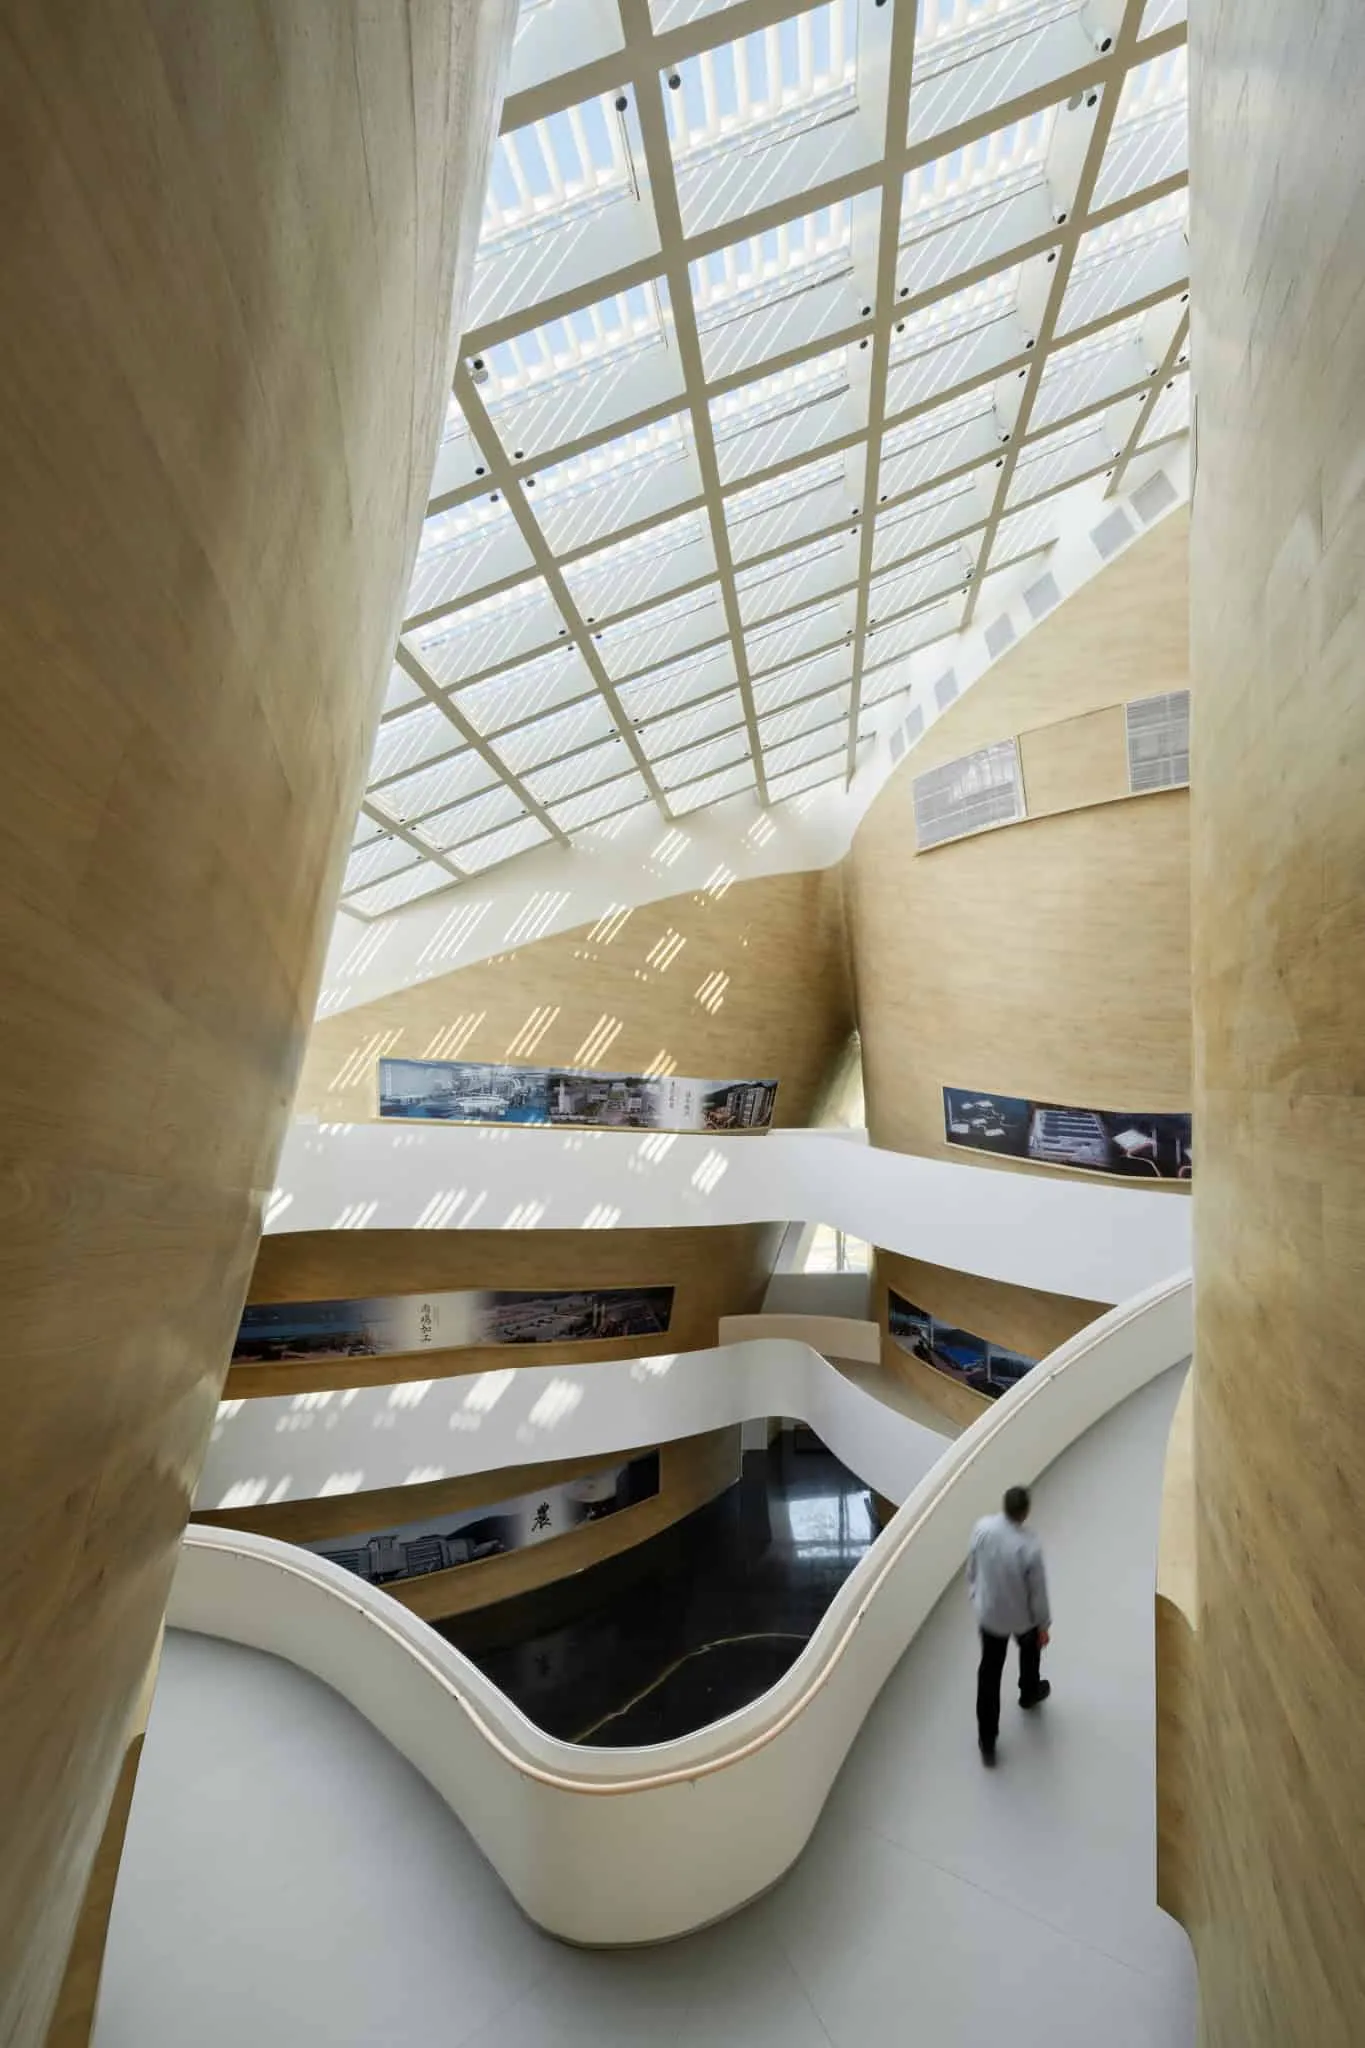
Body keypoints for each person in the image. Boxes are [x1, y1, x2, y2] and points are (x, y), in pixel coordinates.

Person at [966, 1484, 1051, 1766]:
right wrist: (1043, 1625)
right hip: (1022, 1618)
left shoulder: (982, 1528)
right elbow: (1038, 1593)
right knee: (1030, 1652)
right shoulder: (1029, 1547)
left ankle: (987, 1741)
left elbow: (972, 1567)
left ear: (1004, 1506)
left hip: (989, 1615)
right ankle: (1029, 1692)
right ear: (1025, 1512)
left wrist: (975, 1594)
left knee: (989, 1675)